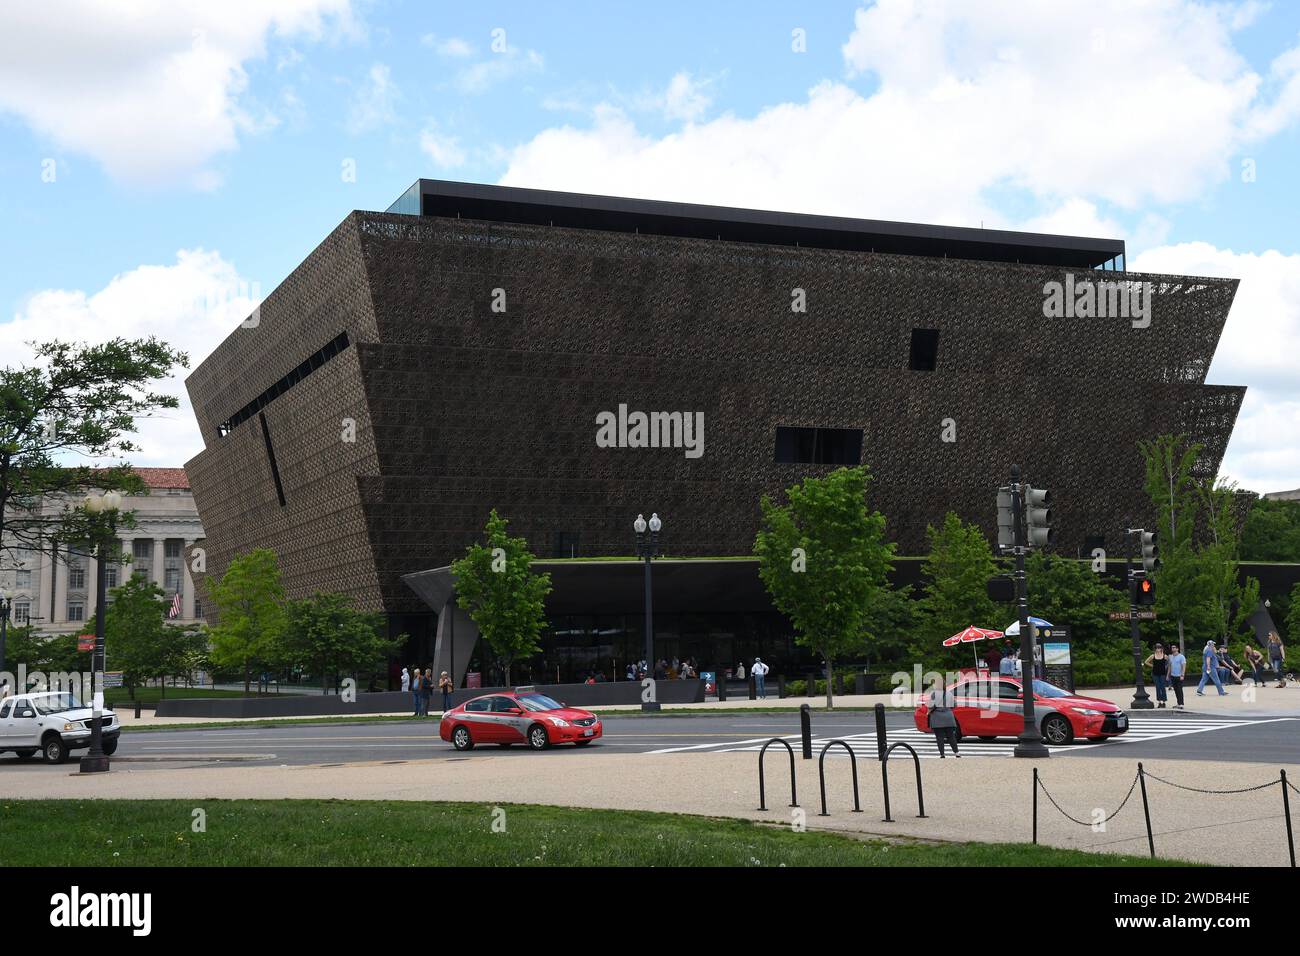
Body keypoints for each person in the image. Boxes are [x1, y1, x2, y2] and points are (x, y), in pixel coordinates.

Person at [926, 678, 961, 758]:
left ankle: (942, 754)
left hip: (937, 718)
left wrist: (929, 710)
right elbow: (954, 705)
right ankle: (957, 753)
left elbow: (930, 705)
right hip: (949, 717)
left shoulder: (934, 694)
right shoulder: (949, 693)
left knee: (939, 737)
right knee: (951, 736)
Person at [1144, 643, 1170, 708]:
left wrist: (1166, 669)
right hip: (1155, 674)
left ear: (1161, 648)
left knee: (1162, 687)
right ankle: (1159, 702)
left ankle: (1164, 702)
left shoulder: (1165, 656)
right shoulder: (1153, 656)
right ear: (1155, 649)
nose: (1158, 649)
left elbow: (1170, 663)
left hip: (1162, 674)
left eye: (1159, 648)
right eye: (1157, 648)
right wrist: (1152, 666)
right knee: (1158, 687)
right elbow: (1146, 662)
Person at [1168, 644, 1187, 709]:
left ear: (1177, 649)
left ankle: (1181, 703)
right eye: (1172, 648)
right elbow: (1170, 666)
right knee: (1176, 690)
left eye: (1174, 647)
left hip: (1179, 676)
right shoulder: (1171, 657)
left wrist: (1182, 675)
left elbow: (1183, 666)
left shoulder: (1181, 657)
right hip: (1173, 676)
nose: (1172, 649)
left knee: (1179, 690)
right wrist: (1168, 675)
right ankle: (1178, 703)